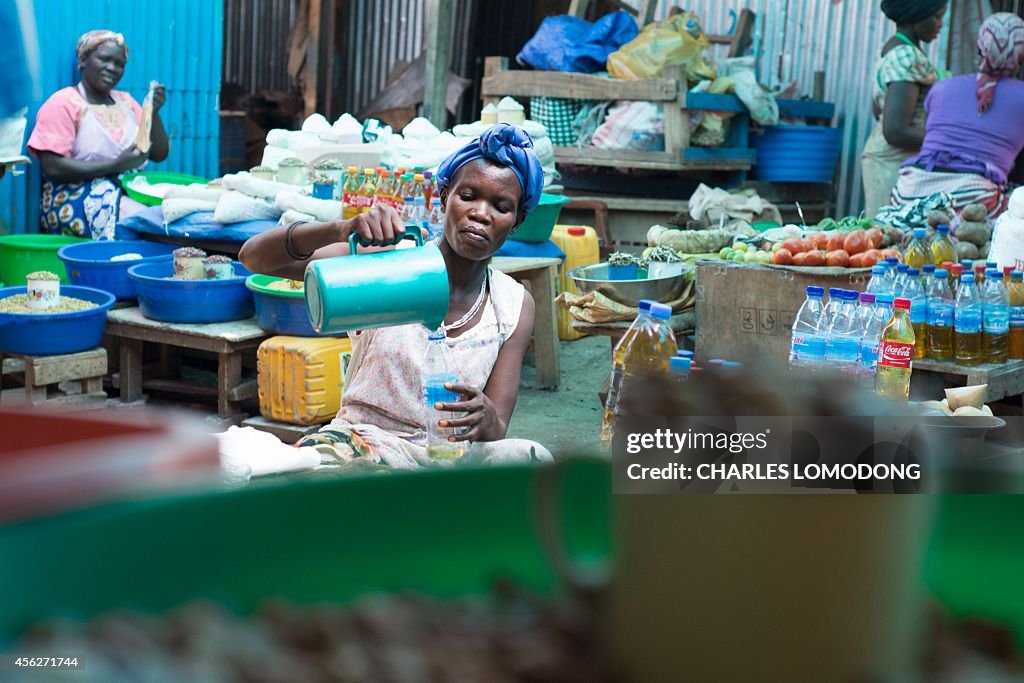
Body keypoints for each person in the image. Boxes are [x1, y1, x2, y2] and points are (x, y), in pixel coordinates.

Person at [238, 124, 553, 469]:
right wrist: (339, 228)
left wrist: (486, 417)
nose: (481, 213)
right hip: (362, 445)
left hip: (446, 455)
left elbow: (498, 428)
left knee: (532, 460)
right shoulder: (389, 263)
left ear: (517, 221)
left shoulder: (512, 304)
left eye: (501, 206)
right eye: (468, 196)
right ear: (445, 196)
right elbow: (253, 257)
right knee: (317, 468)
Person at [26, 30, 168, 240]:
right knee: (144, 222)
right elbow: (53, 166)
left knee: (167, 213)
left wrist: (154, 113)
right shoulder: (64, 103)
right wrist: (117, 164)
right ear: (83, 60)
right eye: (104, 59)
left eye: (119, 63)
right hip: (71, 199)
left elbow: (158, 153)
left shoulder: (126, 103)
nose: (112, 68)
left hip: (124, 192)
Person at [886, 13, 1024, 220]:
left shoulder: (942, 87)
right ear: (1021, 56)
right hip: (973, 198)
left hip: (908, 192)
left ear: (980, 49)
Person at [861, 0, 947, 219]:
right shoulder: (906, 57)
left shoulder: (893, 49)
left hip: (886, 159)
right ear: (916, 14)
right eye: (937, 16)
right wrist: (946, 141)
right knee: (890, 237)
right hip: (891, 164)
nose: (941, 24)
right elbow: (895, 130)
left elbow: (878, 109)